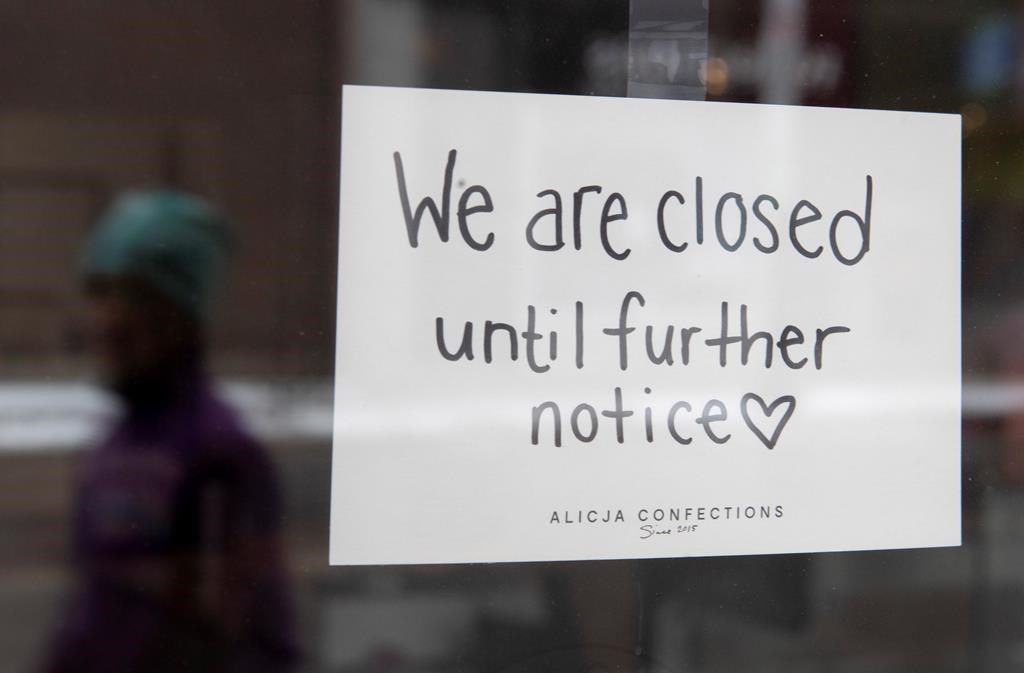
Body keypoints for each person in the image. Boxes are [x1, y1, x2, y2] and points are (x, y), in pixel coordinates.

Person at [39, 191, 299, 673]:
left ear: (179, 318)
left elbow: (233, 634)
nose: (107, 319)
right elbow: (93, 617)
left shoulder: (216, 451)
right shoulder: (113, 445)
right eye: (100, 293)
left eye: (133, 298)